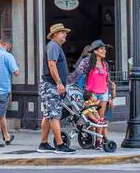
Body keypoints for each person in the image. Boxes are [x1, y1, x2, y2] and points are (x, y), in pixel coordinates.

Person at [38, 23, 75, 153]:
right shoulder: (53, 46)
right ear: (55, 35)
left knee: (48, 115)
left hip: (50, 85)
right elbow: (52, 65)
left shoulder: (55, 46)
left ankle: (43, 144)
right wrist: (59, 83)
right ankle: (60, 145)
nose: (65, 35)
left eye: (65, 32)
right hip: (52, 85)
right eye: (62, 32)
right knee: (54, 115)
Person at [72, 40, 116, 122]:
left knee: (101, 117)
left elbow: (107, 80)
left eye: (105, 49)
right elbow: (76, 75)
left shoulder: (105, 64)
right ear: (95, 51)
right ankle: (93, 135)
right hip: (92, 94)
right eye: (101, 49)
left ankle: (100, 135)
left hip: (104, 93)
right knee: (94, 118)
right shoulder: (87, 62)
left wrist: (109, 96)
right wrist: (62, 82)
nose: (104, 51)